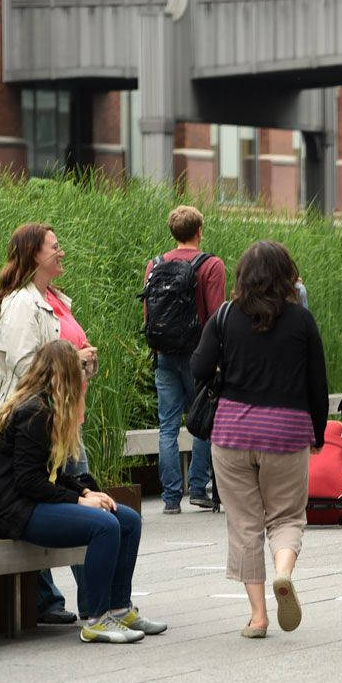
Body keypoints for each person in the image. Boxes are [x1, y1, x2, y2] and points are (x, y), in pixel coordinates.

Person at [0, 341, 164, 643]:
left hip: (31, 502)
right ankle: (96, 619)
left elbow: (52, 476)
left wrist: (85, 491)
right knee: (104, 525)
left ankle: (118, 607)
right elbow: (28, 482)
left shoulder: (47, 408)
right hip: (14, 512)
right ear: (64, 376)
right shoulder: (34, 413)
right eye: (80, 372)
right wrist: (79, 500)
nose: (84, 379)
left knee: (127, 519)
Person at [192, 240, 328, 639]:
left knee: (245, 523)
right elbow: (317, 384)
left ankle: (258, 617)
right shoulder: (301, 321)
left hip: (233, 431)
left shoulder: (225, 316)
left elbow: (199, 368)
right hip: (286, 432)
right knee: (286, 516)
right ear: (287, 275)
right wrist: (317, 432)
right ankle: (283, 573)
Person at [0, 222, 99, 626]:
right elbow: (23, 370)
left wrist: (84, 362)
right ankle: (89, 604)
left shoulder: (53, 299)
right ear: (34, 254)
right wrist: (75, 358)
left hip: (66, 418)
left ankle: (75, 600)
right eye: (55, 246)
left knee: (80, 496)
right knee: (74, 501)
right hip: (40, 425)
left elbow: (56, 358)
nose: (61, 251)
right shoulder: (21, 304)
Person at [141, 205, 227, 516]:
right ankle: (199, 489)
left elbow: (149, 312)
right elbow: (217, 315)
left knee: (167, 426)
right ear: (199, 231)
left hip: (163, 354)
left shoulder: (155, 264)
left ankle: (171, 498)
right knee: (202, 420)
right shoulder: (211, 265)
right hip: (198, 355)